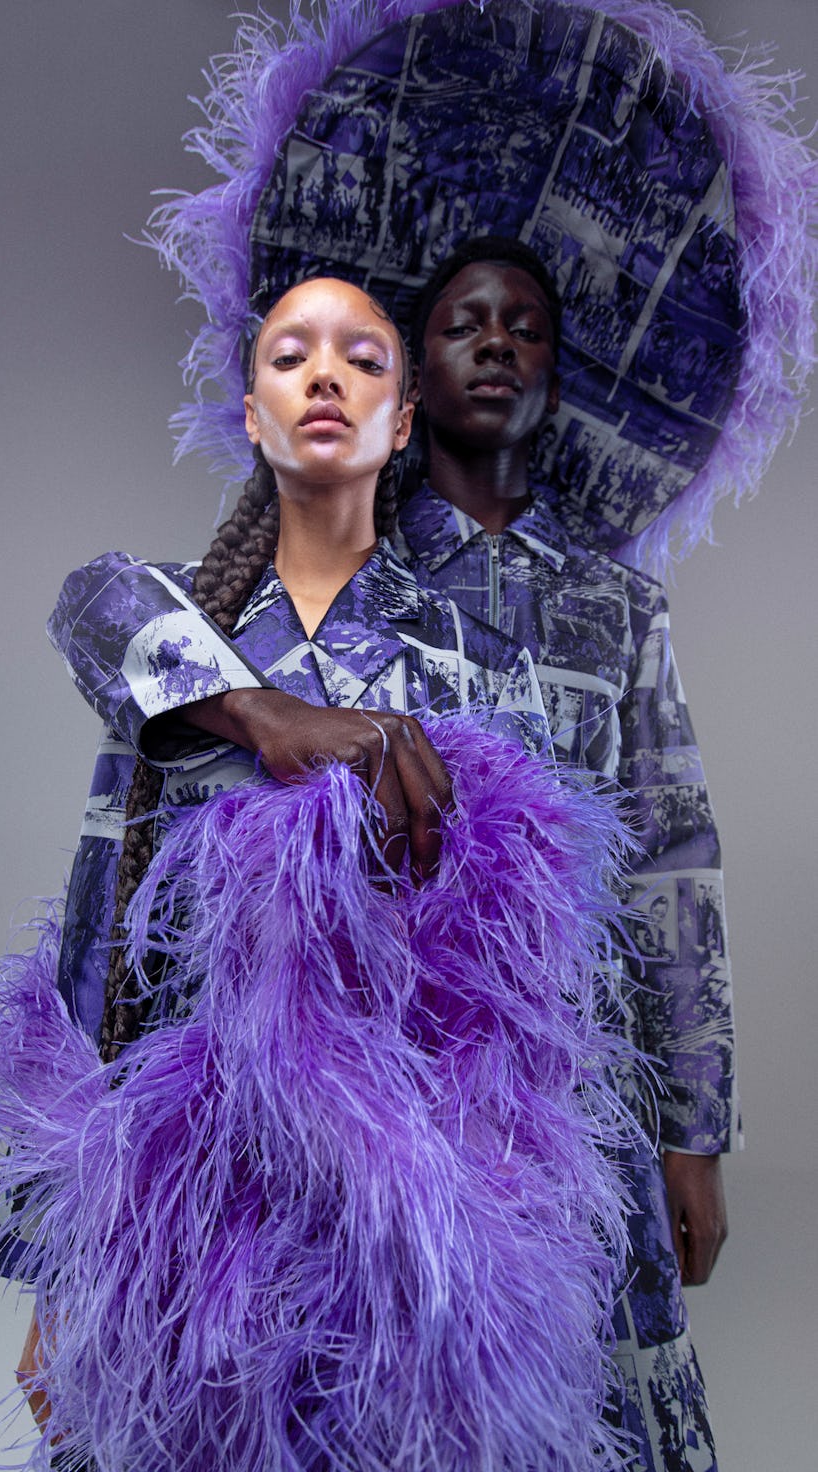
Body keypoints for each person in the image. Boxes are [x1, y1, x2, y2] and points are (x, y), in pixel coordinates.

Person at [49, 239, 737, 1472]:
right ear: (247, 410)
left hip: (404, 1198)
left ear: (401, 411)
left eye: (361, 358)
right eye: (290, 355)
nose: (326, 380)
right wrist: (64, 1263)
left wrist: (545, 1200)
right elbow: (102, 953)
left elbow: (527, 975)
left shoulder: (479, 661)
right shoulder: (182, 637)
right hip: (199, 1191)